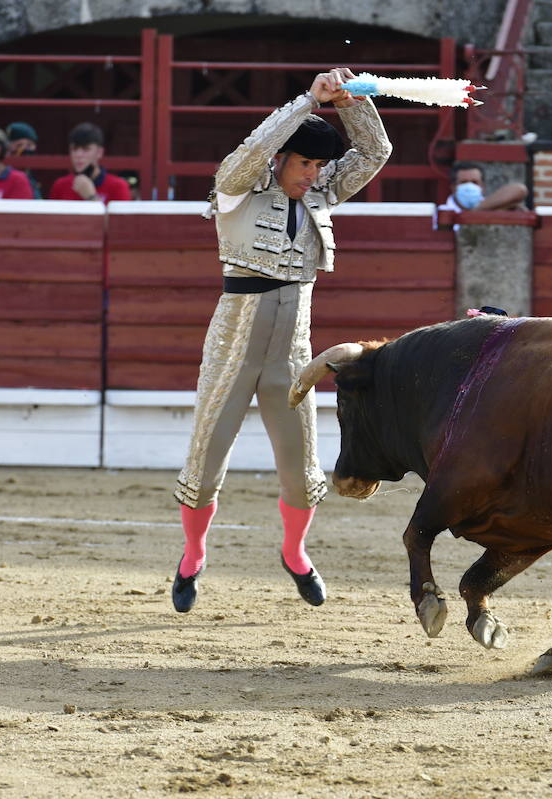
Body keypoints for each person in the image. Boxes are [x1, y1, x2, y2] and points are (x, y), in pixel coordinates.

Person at [171, 68, 391, 613]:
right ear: (280, 159)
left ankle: (295, 554)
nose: (312, 175)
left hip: (292, 355)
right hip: (231, 351)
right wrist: (304, 102)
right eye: (303, 163)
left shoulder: (321, 193)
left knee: (302, 475)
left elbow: (375, 150)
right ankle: (192, 556)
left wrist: (349, 99)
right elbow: (252, 151)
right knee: (204, 470)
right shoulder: (236, 187)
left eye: (319, 165)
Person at [49, 122, 132, 203]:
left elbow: (120, 217)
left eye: (86, 149)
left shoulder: (118, 186)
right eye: (74, 149)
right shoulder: (60, 185)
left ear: (99, 152)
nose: (78, 155)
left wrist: (91, 197)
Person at [436, 161, 527, 216]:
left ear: (482, 187)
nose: (470, 186)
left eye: (474, 182)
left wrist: (474, 212)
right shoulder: (439, 212)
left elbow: (519, 190)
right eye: (464, 182)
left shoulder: (494, 204)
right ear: (453, 187)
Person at [7, 121, 43, 199]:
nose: (24, 149)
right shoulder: (1, 175)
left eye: (29, 145)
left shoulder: (33, 176)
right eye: (19, 145)